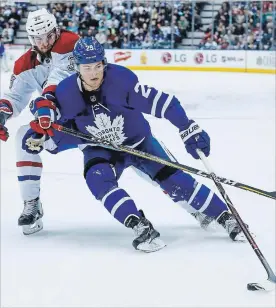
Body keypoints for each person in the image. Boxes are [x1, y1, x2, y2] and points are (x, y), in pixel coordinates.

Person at [25, 37, 253, 252]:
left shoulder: (121, 82)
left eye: (97, 66)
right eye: (87, 67)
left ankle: (227, 217)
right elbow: (54, 119)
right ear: (77, 67)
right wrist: (42, 137)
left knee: (177, 181)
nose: (93, 73)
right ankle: (140, 225)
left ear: (104, 62)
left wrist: (187, 127)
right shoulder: (66, 92)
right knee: (97, 178)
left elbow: (165, 103)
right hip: (101, 150)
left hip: (140, 143)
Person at [0, 8, 79, 235]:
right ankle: (31, 203)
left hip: (93, 120)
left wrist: (46, 105)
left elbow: (57, 82)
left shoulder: (72, 45)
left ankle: (184, 194)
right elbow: (15, 97)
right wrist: (2, 113)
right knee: (23, 139)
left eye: (47, 36)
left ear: (56, 31)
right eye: (37, 38)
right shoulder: (26, 64)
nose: (43, 42)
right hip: (55, 125)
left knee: (137, 154)